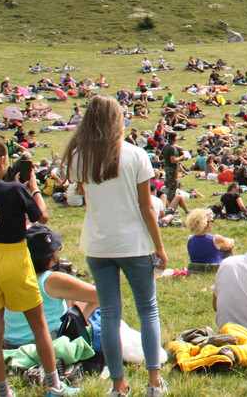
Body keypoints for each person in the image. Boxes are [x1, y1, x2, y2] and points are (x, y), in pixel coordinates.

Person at [0, 135, 80, 397]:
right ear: (3, 161)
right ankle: (54, 386)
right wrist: (33, 188)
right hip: (13, 258)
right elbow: (42, 217)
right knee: (38, 327)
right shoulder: (14, 190)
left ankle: (4, 391)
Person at [65, 95, 166, 397]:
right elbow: (147, 207)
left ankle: (118, 385)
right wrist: (159, 247)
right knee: (147, 309)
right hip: (133, 243)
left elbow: (77, 198)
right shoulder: (136, 155)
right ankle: (154, 382)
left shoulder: (78, 156)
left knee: (110, 313)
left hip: (98, 243)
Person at [2, 225, 99, 348]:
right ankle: (77, 331)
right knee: (102, 298)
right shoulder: (52, 280)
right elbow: (100, 295)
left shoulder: (10, 276)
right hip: (44, 344)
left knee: (68, 296)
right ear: (51, 257)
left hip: (10, 343)